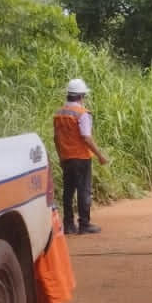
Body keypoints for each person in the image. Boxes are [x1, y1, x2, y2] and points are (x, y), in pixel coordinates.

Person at [52, 78, 109, 235]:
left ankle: (68, 225)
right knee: (84, 190)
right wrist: (100, 155)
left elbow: (56, 138)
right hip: (81, 158)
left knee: (68, 191)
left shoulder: (59, 114)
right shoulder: (82, 114)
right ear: (81, 95)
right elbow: (86, 137)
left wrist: (61, 157)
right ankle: (84, 224)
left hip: (67, 158)